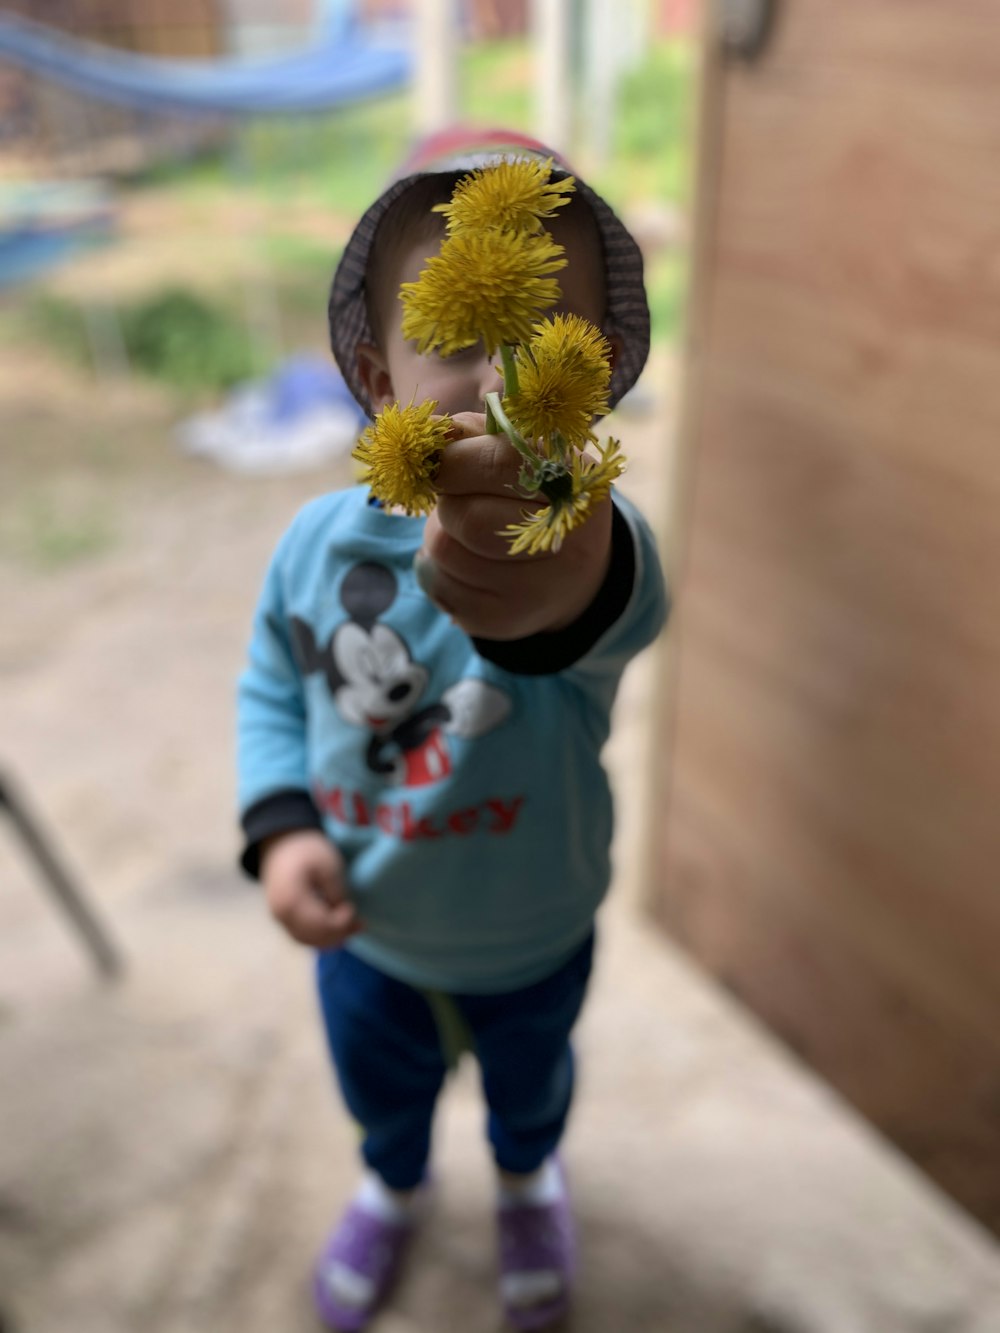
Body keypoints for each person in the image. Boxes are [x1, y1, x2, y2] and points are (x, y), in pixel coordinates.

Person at [236, 125, 668, 1332]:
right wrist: (278, 826)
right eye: (461, 335)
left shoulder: (584, 537)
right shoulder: (311, 552)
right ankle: (393, 1180)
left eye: (548, 346)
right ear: (377, 378)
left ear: (605, 370)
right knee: (382, 1095)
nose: (502, 378)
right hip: (368, 932)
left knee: (532, 1094)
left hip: (536, 932)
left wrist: (561, 579)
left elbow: (616, 608)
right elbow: (272, 682)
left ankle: (529, 1177)